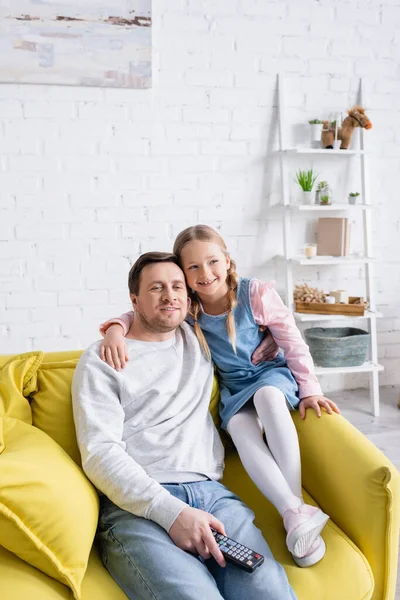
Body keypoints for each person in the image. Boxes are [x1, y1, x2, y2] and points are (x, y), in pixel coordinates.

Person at [100, 225, 340, 568]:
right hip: (235, 389)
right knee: (241, 430)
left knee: (270, 399)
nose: (205, 273)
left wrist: (311, 390)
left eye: (212, 262)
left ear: (227, 261)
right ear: (184, 274)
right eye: (193, 268)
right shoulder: (190, 306)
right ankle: (294, 514)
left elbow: (292, 342)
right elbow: (144, 310)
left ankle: (296, 506)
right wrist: (114, 329)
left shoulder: (254, 294)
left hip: (269, 376)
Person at [72, 251, 297, 600]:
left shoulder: (201, 338)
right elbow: (99, 452)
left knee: (269, 589)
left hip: (213, 496)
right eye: (156, 288)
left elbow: (233, 296)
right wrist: (172, 513)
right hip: (139, 506)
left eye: (178, 286)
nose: (170, 295)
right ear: (134, 299)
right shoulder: (103, 359)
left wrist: (273, 344)